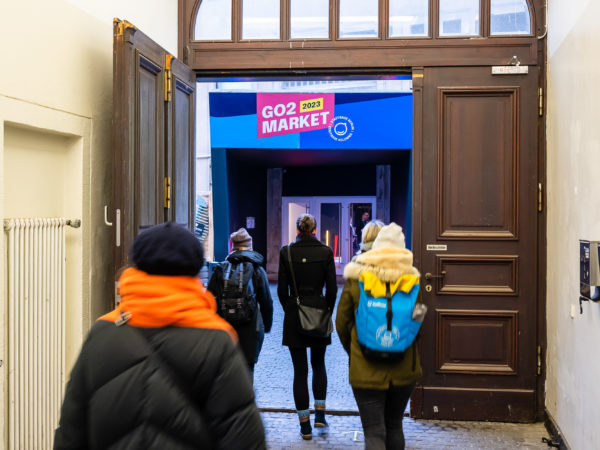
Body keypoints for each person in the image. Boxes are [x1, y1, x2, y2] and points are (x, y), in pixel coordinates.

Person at [54, 222, 266, 449]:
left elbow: (70, 435)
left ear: (136, 267)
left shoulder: (102, 334)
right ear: (195, 273)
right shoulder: (217, 342)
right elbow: (245, 439)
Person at [336, 223, 422, 450]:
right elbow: (419, 320)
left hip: (366, 368)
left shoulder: (357, 278)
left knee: (374, 431)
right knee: (394, 426)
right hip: (403, 369)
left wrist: (356, 351)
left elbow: (341, 322)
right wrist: (402, 342)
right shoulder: (412, 281)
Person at [277, 213, 338, 440]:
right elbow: (332, 289)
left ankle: (305, 427)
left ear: (297, 230)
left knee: (300, 371)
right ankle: (320, 415)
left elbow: (281, 291)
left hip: (295, 314)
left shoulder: (287, 252)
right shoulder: (326, 252)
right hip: (319, 311)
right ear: (315, 230)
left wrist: (291, 309)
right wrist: (326, 310)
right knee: (319, 364)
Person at [208, 228, 273, 375]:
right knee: (248, 368)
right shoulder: (256, 270)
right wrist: (266, 325)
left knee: (226, 369)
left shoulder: (221, 269)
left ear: (233, 247)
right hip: (250, 327)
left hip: (225, 328)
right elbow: (266, 302)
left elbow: (209, 299)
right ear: (250, 246)